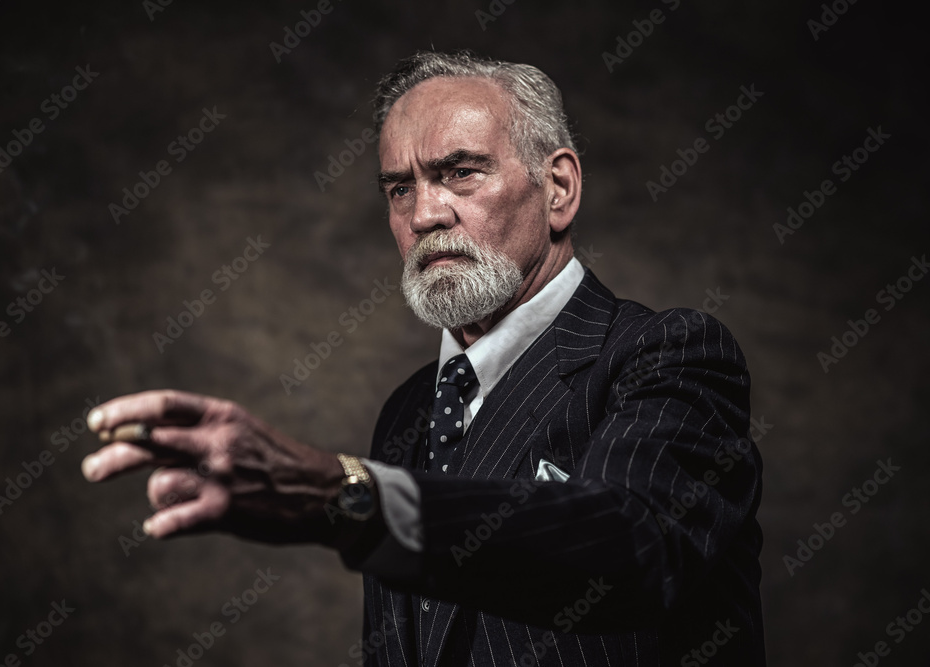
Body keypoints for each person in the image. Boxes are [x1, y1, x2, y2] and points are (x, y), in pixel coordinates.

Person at [82, 51, 766, 665]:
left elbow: (633, 547)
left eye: (460, 173)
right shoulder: (410, 409)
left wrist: (336, 493)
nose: (424, 214)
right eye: (399, 188)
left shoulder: (668, 354)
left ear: (558, 189)